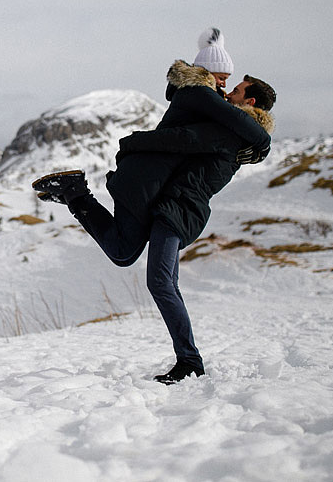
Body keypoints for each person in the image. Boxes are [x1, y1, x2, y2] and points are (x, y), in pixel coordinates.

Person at [33, 57, 276, 385]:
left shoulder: (232, 134)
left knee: (160, 282)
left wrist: (132, 143)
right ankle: (75, 193)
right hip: (169, 206)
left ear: (249, 101)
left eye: (236, 90)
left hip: (181, 210)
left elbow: (184, 139)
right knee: (123, 252)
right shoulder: (237, 132)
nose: (228, 93)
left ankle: (190, 361)